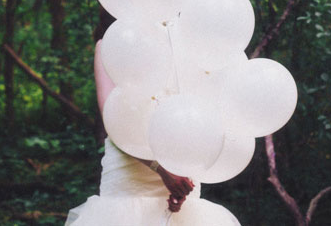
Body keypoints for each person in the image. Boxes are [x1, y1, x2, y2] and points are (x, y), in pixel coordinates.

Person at [64, 41, 241, 225]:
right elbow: (113, 118)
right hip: (129, 182)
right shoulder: (111, 42)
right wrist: (162, 169)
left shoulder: (188, 39)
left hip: (181, 180)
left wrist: (184, 174)